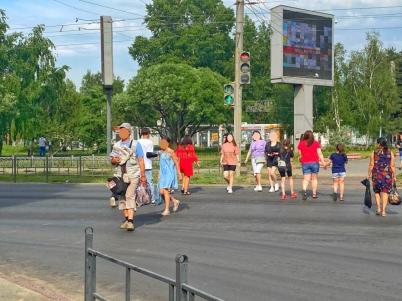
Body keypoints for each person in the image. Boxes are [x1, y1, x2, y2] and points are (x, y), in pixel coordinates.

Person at [110, 123, 146, 231]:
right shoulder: (116, 145)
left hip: (133, 174)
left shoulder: (136, 144)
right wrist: (114, 160)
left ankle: (130, 221)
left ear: (129, 132)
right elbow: (111, 160)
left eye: (124, 131)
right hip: (120, 175)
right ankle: (126, 219)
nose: (121, 133)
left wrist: (143, 175)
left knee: (130, 195)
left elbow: (141, 160)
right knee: (122, 197)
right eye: (120, 131)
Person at [368, 137, 396, 217]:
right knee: (385, 193)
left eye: (377, 143)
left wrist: (368, 174)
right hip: (387, 176)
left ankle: (378, 209)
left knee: (377, 192)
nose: (376, 144)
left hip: (376, 175)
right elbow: (392, 165)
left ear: (379, 144)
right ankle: (383, 211)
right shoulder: (390, 153)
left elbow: (371, 164)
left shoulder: (374, 152)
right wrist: (394, 175)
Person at [297, 130, 327, 200]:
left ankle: (304, 190)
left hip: (305, 163)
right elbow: (320, 154)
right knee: (314, 179)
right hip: (314, 163)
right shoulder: (316, 143)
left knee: (306, 179)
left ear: (305, 136)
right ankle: (314, 194)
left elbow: (300, 155)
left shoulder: (301, 144)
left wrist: (301, 159)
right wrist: (323, 163)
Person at [158, 136, 182, 216]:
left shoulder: (171, 151)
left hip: (169, 173)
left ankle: (167, 209)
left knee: (165, 191)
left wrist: (179, 173)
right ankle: (175, 201)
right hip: (163, 173)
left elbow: (176, 162)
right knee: (161, 192)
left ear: (168, 143)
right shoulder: (161, 152)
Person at [138, 128, 155, 204]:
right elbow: (150, 154)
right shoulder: (150, 142)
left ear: (141, 133)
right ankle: (153, 199)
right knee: (150, 182)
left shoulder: (138, 141)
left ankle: (140, 199)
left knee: (139, 182)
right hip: (148, 164)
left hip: (139, 164)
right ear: (148, 133)